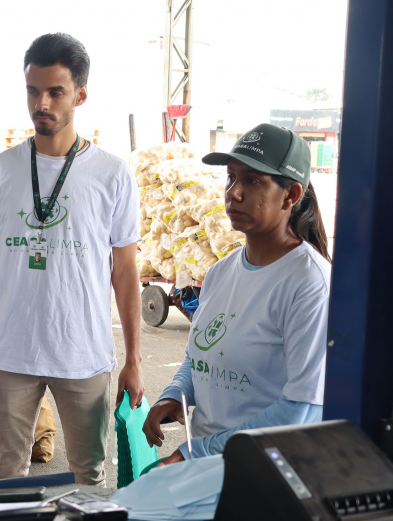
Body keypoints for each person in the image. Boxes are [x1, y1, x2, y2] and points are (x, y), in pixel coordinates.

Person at [0, 32, 144, 485]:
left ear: (80, 94)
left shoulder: (112, 175)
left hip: (84, 354)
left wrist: (135, 357)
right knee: (8, 476)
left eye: (55, 91)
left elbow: (125, 271)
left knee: (88, 476)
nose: (42, 103)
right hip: (11, 354)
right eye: (33, 90)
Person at [142, 123, 332, 464]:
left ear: (291, 195)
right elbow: (199, 356)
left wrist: (196, 452)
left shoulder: (309, 284)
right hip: (211, 465)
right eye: (231, 177)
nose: (234, 193)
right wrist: (175, 393)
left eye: (253, 181)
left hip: (265, 471)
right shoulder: (220, 272)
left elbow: (301, 410)